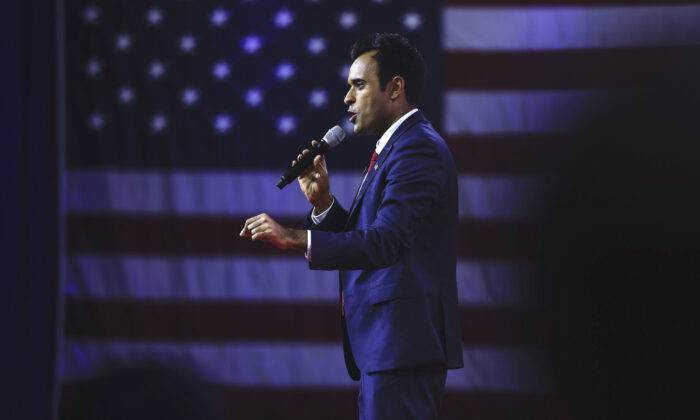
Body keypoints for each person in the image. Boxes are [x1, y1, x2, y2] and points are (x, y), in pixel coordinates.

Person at [240, 33, 463, 418]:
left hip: (400, 349)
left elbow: (384, 243)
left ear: (395, 88)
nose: (347, 99)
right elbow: (378, 236)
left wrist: (296, 237)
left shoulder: (416, 148)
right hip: (384, 350)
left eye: (358, 85)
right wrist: (323, 204)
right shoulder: (395, 148)